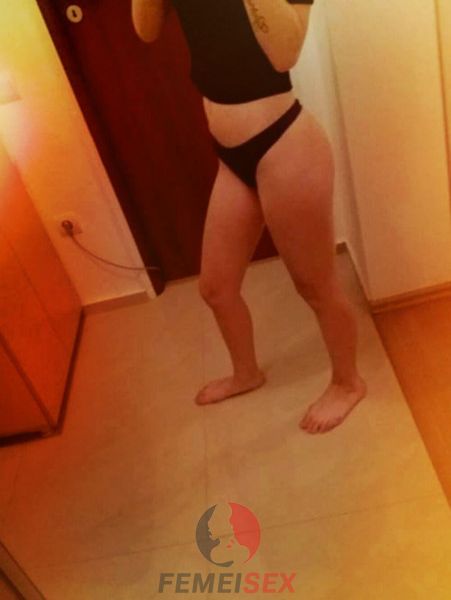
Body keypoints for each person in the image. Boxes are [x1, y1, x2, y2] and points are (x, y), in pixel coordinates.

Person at [131, 0, 367, 434]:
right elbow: (146, 30)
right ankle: (246, 374)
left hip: (286, 145)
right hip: (231, 156)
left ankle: (348, 383)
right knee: (216, 288)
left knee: (315, 286)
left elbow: (284, 54)